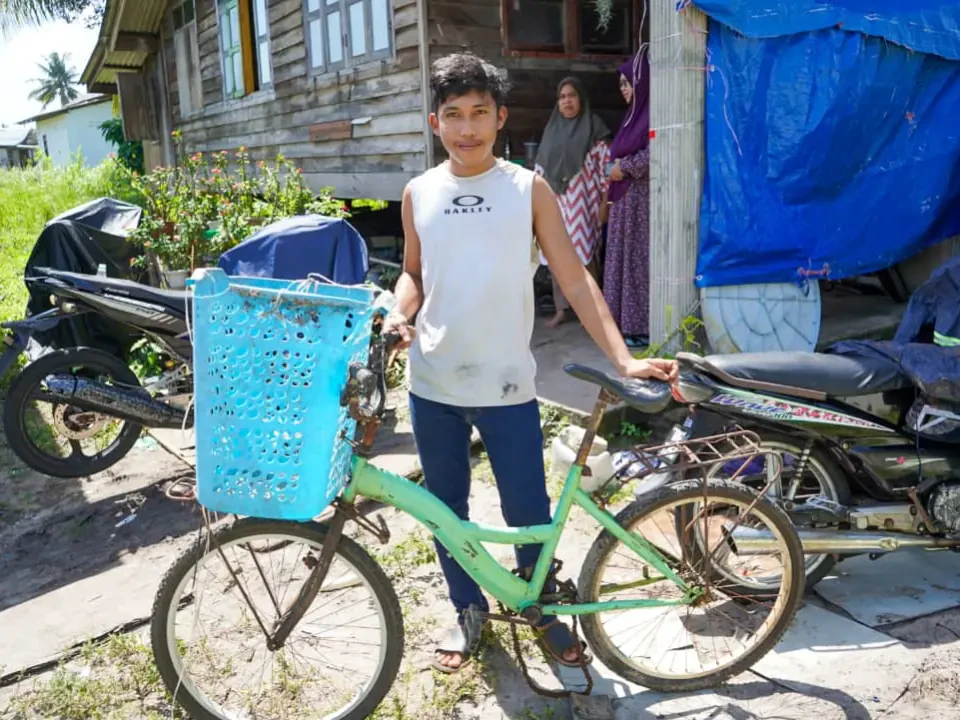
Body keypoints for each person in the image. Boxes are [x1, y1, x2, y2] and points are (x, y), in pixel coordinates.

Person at [382, 53, 678, 675]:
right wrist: (396, 314)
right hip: (432, 384)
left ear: (501, 117)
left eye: (479, 113)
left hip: (508, 386)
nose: (467, 128)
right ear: (436, 122)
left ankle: (541, 608)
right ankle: (467, 609)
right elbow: (413, 274)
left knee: (528, 511)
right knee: (446, 510)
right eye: (454, 115)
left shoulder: (527, 189)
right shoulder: (418, 193)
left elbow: (574, 278)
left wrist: (624, 358)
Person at [535, 77, 612, 328]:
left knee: (586, 257)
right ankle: (562, 308)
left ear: (581, 98)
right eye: (562, 97)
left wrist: (605, 203)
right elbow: (540, 170)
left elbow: (606, 170)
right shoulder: (552, 130)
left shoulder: (595, 128)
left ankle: (593, 311)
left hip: (585, 205)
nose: (567, 101)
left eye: (572, 95)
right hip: (556, 204)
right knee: (556, 255)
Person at [603, 53, 651, 346]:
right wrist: (612, 168)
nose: (623, 89)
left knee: (635, 263)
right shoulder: (631, 118)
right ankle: (622, 325)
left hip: (639, 204)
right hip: (624, 202)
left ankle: (640, 329)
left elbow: (656, 154)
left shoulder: (652, 117)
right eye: (620, 84)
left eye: (628, 83)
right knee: (621, 261)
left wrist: (625, 167)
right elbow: (612, 159)